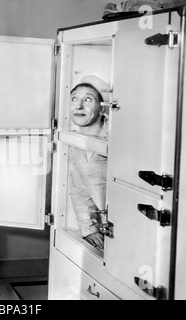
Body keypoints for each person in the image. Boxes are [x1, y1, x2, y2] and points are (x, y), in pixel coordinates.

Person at [68, 75, 110, 250]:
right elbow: (79, 188)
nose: (78, 106)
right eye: (74, 99)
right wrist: (88, 228)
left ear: (102, 108)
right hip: (109, 225)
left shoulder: (117, 135)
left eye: (87, 99)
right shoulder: (75, 140)